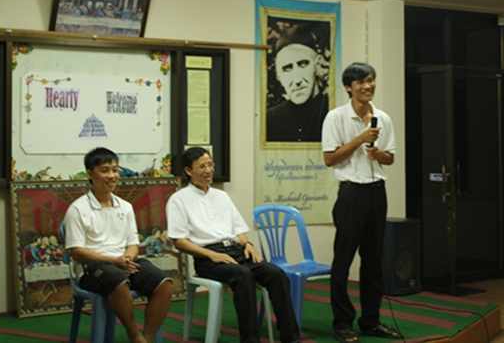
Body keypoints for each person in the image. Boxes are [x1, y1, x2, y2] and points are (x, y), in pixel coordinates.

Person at [166, 147, 301, 343]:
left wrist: (248, 244)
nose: (208, 170)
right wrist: (212, 255)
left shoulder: (222, 196)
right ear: (188, 171)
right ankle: (250, 339)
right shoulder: (178, 200)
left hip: (236, 250)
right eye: (202, 166)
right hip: (207, 257)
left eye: (210, 165)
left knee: (276, 274)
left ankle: (290, 337)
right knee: (243, 275)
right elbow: (179, 241)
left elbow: (239, 230)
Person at [321, 63, 402, 343]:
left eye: (371, 81)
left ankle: (371, 321)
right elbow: (329, 158)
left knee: (373, 260)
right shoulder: (335, 117)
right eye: (362, 82)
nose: (368, 86)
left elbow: (390, 158)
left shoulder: (383, 118)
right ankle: (342, 323)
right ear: (348, 87)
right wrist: (360, 139)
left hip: (377, 192)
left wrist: (378, 153)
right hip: (351, 193)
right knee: (343, 260)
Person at [63, 147, 173, 343]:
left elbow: (133, 244)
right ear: (90, 174)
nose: (112, 175)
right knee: (119, 282)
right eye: (105, 170)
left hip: (124, 262)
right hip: (92, 269)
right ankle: (134, 335)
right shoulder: (77, 209)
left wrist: (127, 258)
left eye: (115, 170)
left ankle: (147, 338)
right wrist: (114, 260)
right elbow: (77, 252)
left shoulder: (125, 206)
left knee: (164, 284)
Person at [267, 23, 329, 142]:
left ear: (317, 64)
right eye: (287, 68)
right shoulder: (270, 120)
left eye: (303, 64)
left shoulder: (333, 111)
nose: (297, 80)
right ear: (278, 76)